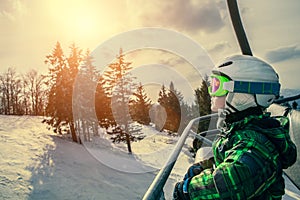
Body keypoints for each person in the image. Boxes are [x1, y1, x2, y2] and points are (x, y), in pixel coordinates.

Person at [173, 55, 297, 200]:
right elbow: (229, 154)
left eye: (217, 86)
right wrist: (205, 165)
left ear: (241, 94)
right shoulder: (239, 128)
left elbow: (232, 182)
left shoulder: (257, 145)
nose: (211, 92)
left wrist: (187, 190)